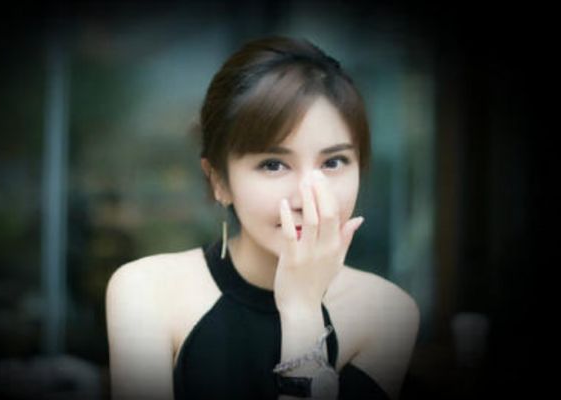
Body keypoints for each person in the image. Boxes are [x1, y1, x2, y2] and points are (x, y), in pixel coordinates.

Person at [105, 36, 419, 400]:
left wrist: (302, 311)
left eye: (333, 162)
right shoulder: (149, 291)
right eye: (273, 165)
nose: (306, 197)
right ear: (219, 181)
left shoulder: (386, 312)